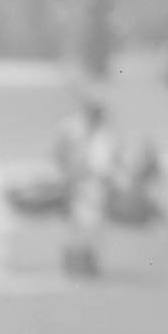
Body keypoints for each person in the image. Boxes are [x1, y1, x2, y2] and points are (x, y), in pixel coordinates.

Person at [53, 95, 119, 278]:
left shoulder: (106, 134)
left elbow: (112, 158)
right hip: (76, 182)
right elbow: (59, 152)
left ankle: (89, 261)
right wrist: (67, 173)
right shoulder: (71, 128)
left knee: (95, 225)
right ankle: (72, 261)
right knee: (75, 225)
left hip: (97, 184)